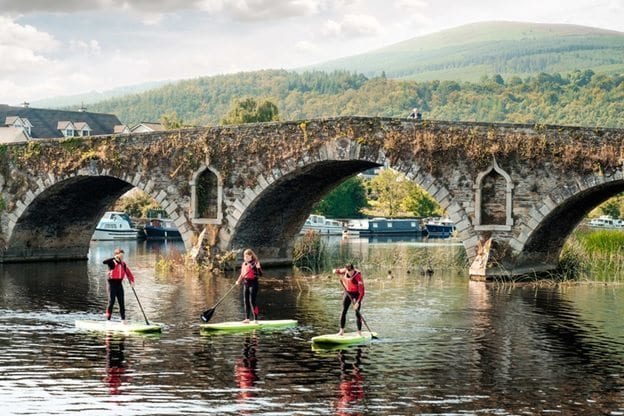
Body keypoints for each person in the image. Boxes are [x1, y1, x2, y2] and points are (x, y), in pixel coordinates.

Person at [102, 248, 135, 323]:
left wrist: (132, 281)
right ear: (117, 255)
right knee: (112, 301)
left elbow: (129, 273)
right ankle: (108, 319)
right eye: (120, 256)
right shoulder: (112, 262)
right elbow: (104, 262)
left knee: (121, 302)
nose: (122, 257)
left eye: (122, 256)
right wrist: (114, 257)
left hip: (119, 284)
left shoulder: (123, 264)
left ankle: (123, 320)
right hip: (111, 284)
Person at [333, 263, 365, 336]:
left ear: (353, 269)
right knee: (343, 311)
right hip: (348, 293)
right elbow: (338, 271)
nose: (350, 273)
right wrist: (335, 271)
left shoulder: (358, 277)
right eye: (348, 271)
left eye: (351, 271)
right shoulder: (345, 270)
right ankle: (341, 331)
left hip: (357, 294)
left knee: (357, 312)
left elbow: (362, 292)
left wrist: (357, 302)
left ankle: (359, 333)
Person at [235, 249, 262, 323]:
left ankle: (256, 319)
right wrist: (238, 281)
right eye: (245, 256)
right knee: (246, 301)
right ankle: (247, 318)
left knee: (252, 301)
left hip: (254, 283)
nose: (246, 258)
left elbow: (260, 274)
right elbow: (242, 274)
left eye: (247, 256)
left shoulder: (255, 263)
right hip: (246, 283)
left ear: (251, 256)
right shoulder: (244, 264)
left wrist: (258, 268)